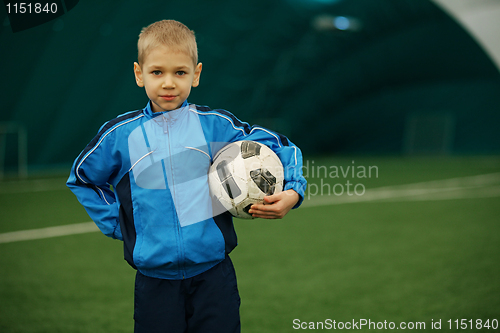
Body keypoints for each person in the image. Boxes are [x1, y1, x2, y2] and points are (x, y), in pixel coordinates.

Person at [67, 19, 307, 333]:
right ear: (139, 74)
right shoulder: (120, 135)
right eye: (157, 72)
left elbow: (280, 146)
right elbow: (83, 178)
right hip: (154, 283)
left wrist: (293, 191)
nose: (169, 83)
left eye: (180, 72)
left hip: (214, 277)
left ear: (196, 74)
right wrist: (118, 223)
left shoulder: (215, 126)